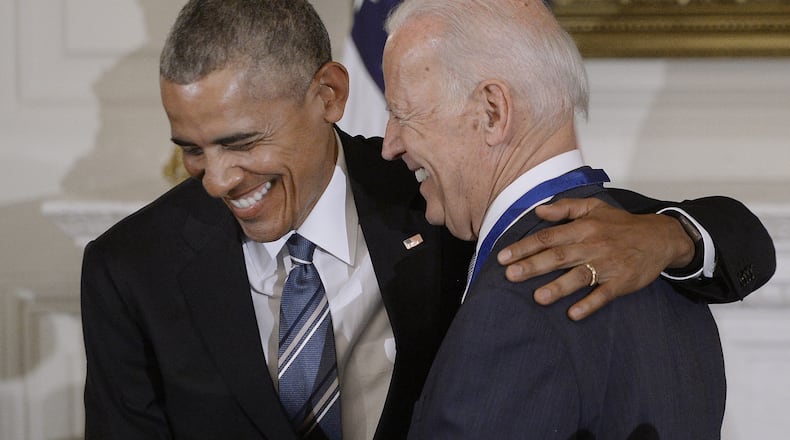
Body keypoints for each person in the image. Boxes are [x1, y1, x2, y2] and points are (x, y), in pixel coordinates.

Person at [80, 0, 774, 439]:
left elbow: (727, 235)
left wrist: (672, 235)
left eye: (241, 143)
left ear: (328, 94)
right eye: (192, 151)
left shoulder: (438, 195)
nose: (218, 179)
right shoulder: (129, 267)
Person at [380, 0, 753, 438]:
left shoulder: (517, 302)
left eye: (404, 114)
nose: (389, 145)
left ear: (492, 111)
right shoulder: (668, 266)